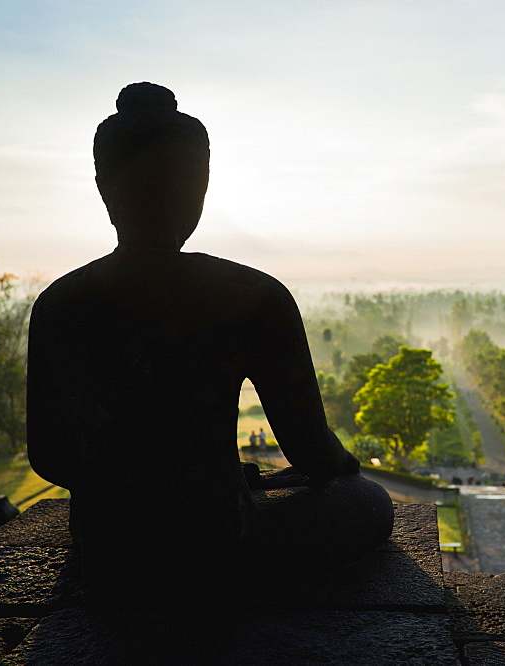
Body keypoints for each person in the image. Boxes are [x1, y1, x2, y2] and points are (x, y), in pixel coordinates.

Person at [26, 82, 393, 606]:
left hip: (110, 544)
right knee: (368, 501)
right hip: (217, 537)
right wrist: (207, 474)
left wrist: (141, 480)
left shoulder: (61, 302)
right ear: (198, 188)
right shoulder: (250, 295)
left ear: (105, 187)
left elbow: (51, 456)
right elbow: (312, 451)